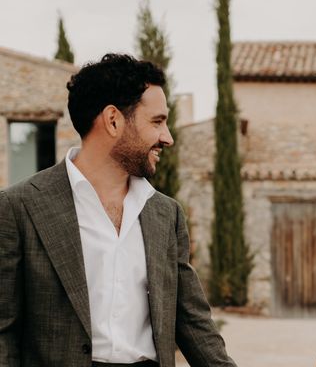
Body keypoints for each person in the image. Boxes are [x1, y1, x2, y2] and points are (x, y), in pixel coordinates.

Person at [0, 54, 236, 367]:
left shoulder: (167, 215)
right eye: (157, 121)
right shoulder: (18, 208)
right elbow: (3, 334)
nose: (168, 138)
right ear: (113, 120)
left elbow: (194, 324)